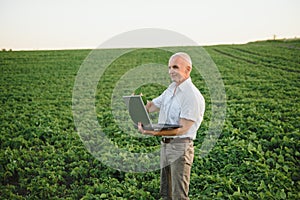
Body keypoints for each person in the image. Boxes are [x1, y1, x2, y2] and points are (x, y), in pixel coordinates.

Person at [137, 52, 205, 200]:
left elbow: (182, 128)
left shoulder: (191, 95)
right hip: (165, 145)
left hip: (180, 147)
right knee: (166, 191)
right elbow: (153, 105)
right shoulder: (171, 89)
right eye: (169, 67)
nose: (171, 71)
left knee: (178, 195)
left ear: (188, 69)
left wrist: (153, 132)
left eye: (175, 67)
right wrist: (136, 103)